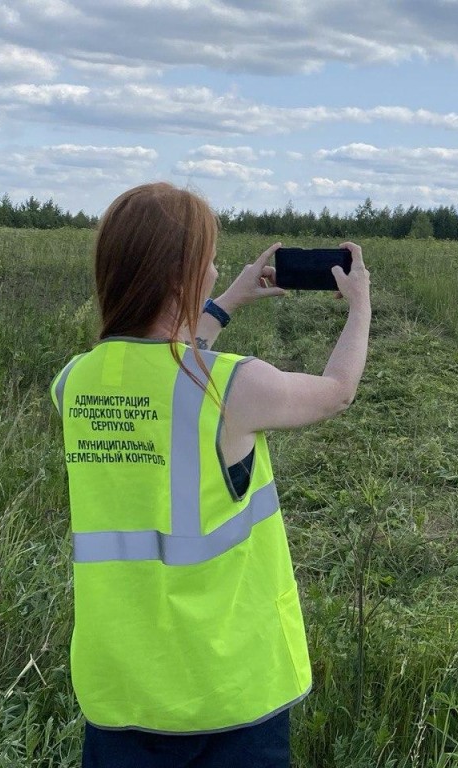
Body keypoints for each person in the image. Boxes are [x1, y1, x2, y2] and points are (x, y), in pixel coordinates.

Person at [49, 182, 371, 767]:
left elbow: (164, 363)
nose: (217, 266)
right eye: (209, 258)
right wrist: (360, 308)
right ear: (181, 276)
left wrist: (226, 302)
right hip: (228, 693)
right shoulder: (232, 386)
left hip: (121, 691)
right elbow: (337, 393)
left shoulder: (74, 382)